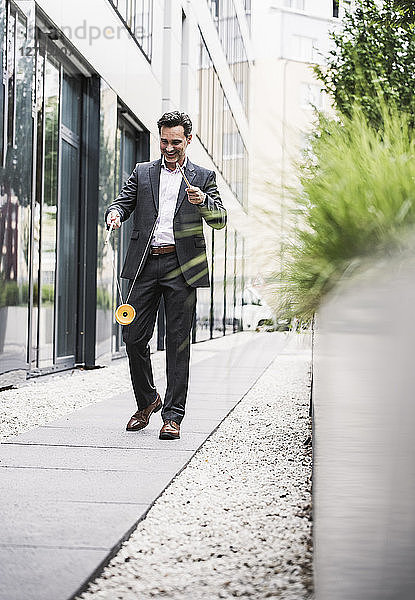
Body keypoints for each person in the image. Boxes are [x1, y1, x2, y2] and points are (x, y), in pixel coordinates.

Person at [105, 111, 227, 440]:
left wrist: (204, 202)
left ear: (189, 139)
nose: (168, 148)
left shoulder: (202, 176)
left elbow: (219, 219)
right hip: (146, 265)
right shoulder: (143, 172)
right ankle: (148, 401)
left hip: (181, 267)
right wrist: (115, 214)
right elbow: (123, 202)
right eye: (163, 141)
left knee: (177, 345)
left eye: (175, 142)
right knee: (132, 338)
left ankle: (172, 416)